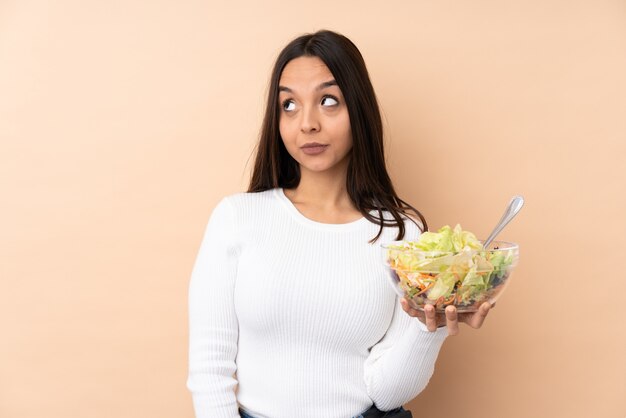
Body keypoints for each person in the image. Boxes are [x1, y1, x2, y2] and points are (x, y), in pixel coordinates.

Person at [186, 29, 493, 418]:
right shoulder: (237, 218)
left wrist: (426, 326)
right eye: (289, 105)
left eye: (328, 101)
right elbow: (209, 370)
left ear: (358, 109)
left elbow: (387, 393)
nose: (308, 123)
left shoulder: (402, 233)